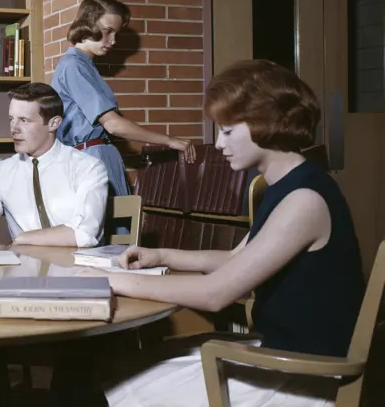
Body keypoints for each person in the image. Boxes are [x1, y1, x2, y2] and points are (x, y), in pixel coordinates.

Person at [92, 59, 365, 406]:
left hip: (302, 373)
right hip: (276, 351)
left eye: (227, 130)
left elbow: (215, 294)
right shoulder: (285, 184)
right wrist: (161, 256)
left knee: (120, 386)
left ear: (266, 125)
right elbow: (236, 259)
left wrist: (110, 282)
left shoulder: (305, 200)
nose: (218, 144)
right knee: (122, 371)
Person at [51, 0, 197, 236]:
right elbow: (114, 125)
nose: (113, 40)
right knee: (106, 240)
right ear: (88, 23)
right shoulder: (74, 66)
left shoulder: (85, 65)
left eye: (116, 33)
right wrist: (170, 140)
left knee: (116, 236)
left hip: (98, 154)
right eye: (108, 31)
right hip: (91, 157)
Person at [0, 82, 109, 255]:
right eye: (12, 119)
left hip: (80, 272)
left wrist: (23, 238)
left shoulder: (88, 168)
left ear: (54, 123)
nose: (14, 129)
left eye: (24, 120)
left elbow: (84, 234)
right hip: (26, 273)